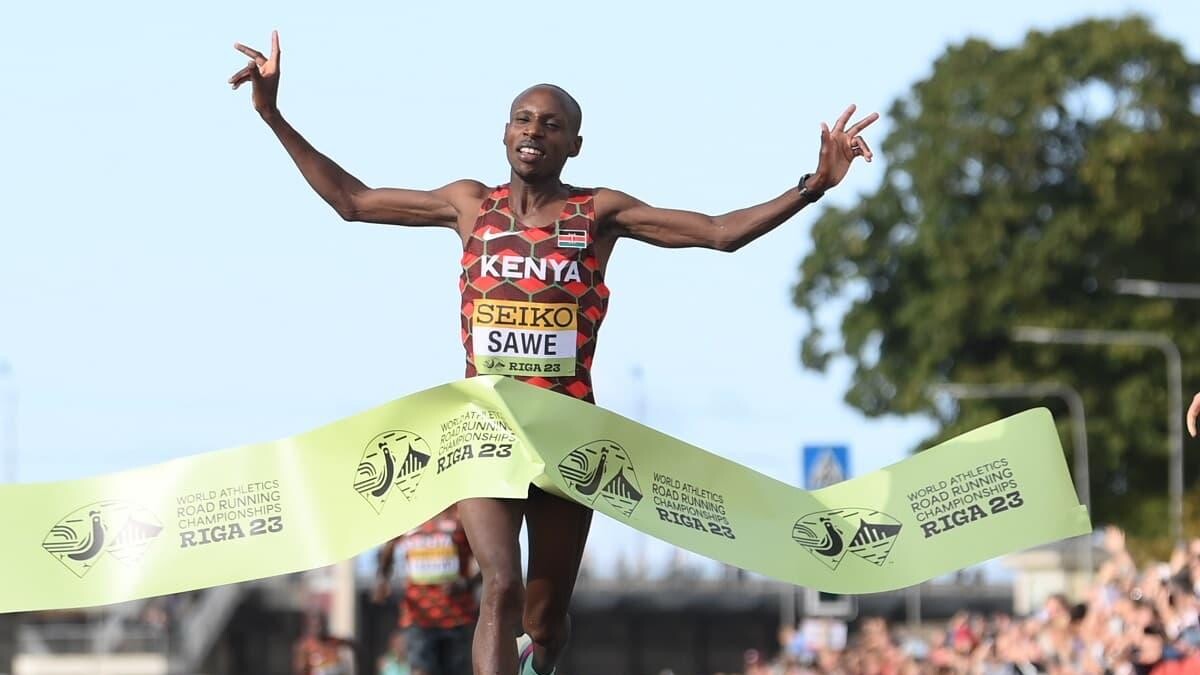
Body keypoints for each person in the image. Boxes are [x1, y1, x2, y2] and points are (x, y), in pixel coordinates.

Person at [229, 30, 877, 675]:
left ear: (574, 145)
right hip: (484, 426)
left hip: (569, 434)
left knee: (543, 620)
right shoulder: (469, 205)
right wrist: (272, 114)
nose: (534, 130)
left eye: (552, 123)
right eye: (523, 118)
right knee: (500, 588)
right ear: (504, 133)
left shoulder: (598, 213)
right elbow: (353, 201)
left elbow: (717, 233)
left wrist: (812, 186)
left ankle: (540, 658)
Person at [376, 505, 480, 675]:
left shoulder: (460, 515)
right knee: (421, 670)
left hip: (458, 617)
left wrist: (465, 584)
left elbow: (488, 562)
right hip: (418, 617)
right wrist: (382, 579)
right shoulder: (408, 516)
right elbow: (388, 549)